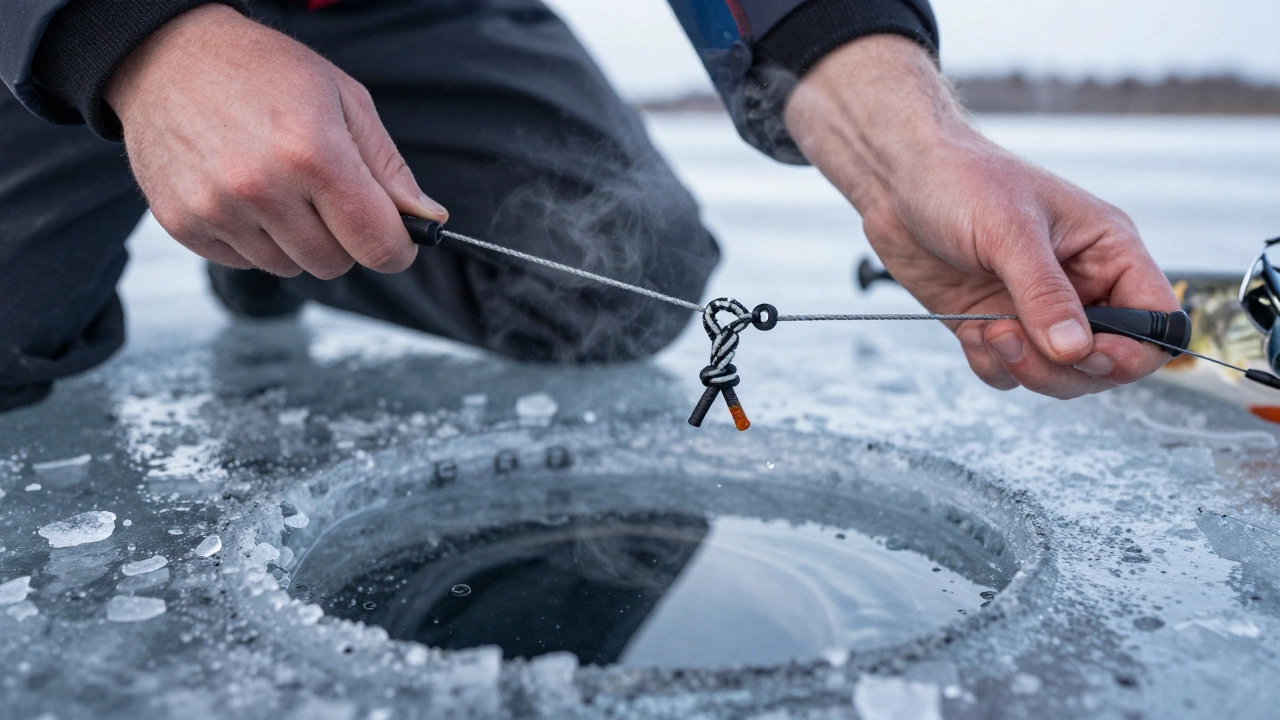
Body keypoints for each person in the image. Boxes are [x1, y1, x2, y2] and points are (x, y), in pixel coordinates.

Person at [0, 0, 1178, 414]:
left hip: (393, 15)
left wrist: (904, 150)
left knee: (619, 279)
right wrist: (126, 33)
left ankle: (276, 241)